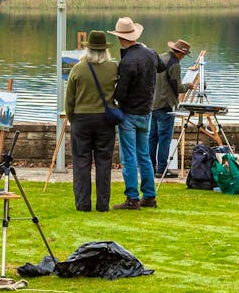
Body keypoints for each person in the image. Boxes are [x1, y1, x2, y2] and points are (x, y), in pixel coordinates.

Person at [108, 16, 165, 210]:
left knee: (129, 158)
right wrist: (146, 49)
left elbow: (121, 93)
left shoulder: (127, 62)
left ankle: (132, 198)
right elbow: (162, 66)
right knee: (144, 156)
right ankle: (149, 196)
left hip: (129, 114)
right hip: (146, 112)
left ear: (119, 38)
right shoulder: (150, 53)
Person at [65, 30, 118, 212]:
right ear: (105, 50)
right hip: (105, 119)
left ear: (88, 49)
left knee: (81, 162)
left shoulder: (77, 69)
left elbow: (69, 100)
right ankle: (103, 204)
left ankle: (83, 203)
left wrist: (73, 119)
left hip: (81, 119)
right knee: (104, 162)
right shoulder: (113, 68)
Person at [149, 38, 193, 178]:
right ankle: (161, 169)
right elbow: (177, 87)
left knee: (152, 137)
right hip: (166, 105)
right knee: (164, 139)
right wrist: (188, 86)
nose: (183, 58)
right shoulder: (174, 64)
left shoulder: (160, 57)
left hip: (153, 104)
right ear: (180, 53)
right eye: (184, 55)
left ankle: (150, 167)